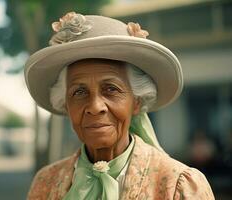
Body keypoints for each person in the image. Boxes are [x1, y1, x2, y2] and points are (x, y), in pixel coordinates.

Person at [24, 12, 215, 200]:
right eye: (79, 92)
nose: (95, 106)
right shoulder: (46, 182)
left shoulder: (179, 185)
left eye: (111, 89)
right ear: (66, 105)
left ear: (137, 102)